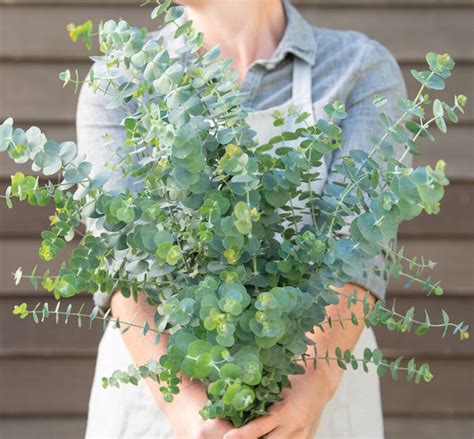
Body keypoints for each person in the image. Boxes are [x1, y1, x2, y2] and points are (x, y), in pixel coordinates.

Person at [77, 0, 407, 437]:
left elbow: (361, 246)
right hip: (162, 399)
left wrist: (311, 387)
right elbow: (120, 257)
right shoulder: (123, 76)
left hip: (318, 395)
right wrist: (189, 412)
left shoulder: (357, 67)